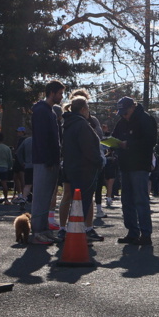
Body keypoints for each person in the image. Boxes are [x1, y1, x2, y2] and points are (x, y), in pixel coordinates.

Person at [111, 96, 157, 245]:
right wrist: (112, 144)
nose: (124, 115)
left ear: (132, 107)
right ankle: (132, 232)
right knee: (127, 200)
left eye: (125, 112)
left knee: (140, 200)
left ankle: (145, 234)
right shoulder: (122, 122)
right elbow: (115, 136)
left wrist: (129, 144)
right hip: (125, 165)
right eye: (121, 113)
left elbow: (151, 141)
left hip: (140, 165)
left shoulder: (145, 119)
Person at [61, 96, 103, 240]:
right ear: (84, 109)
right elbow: (88, 148)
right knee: (83, 202)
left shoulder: (68, 124)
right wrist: (99, 161)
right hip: (84, 169)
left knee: (74, 200)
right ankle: (78, 234)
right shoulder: (82, 125)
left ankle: (71, 231)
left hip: (71, 167)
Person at [29, 80, 65, 244]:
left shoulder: (50, 112)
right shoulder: (40, 111)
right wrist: (49, 159)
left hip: (52, 160)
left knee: (47, 197)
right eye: (60, 93)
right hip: (44, 161)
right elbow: (42, 138)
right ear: (51, 93)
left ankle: (44, 229)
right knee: (40, 197)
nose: (61, 96)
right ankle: (37, 231)